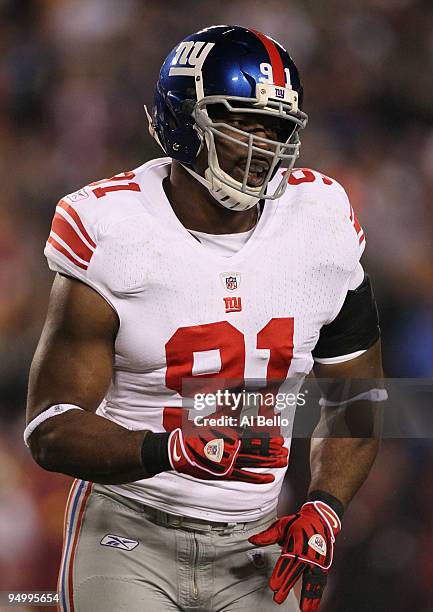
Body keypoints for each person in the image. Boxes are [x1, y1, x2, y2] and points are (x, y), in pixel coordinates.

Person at [25, 25, 384, 612]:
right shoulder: (114, 230)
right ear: (181, 121)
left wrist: (325, 506)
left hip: (257, 536)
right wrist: (167, 450)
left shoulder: (320, 222)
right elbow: (50, 426)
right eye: (242, 122)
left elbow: (357, 400)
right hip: (129, 526)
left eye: (275, 127)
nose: (262, 145)